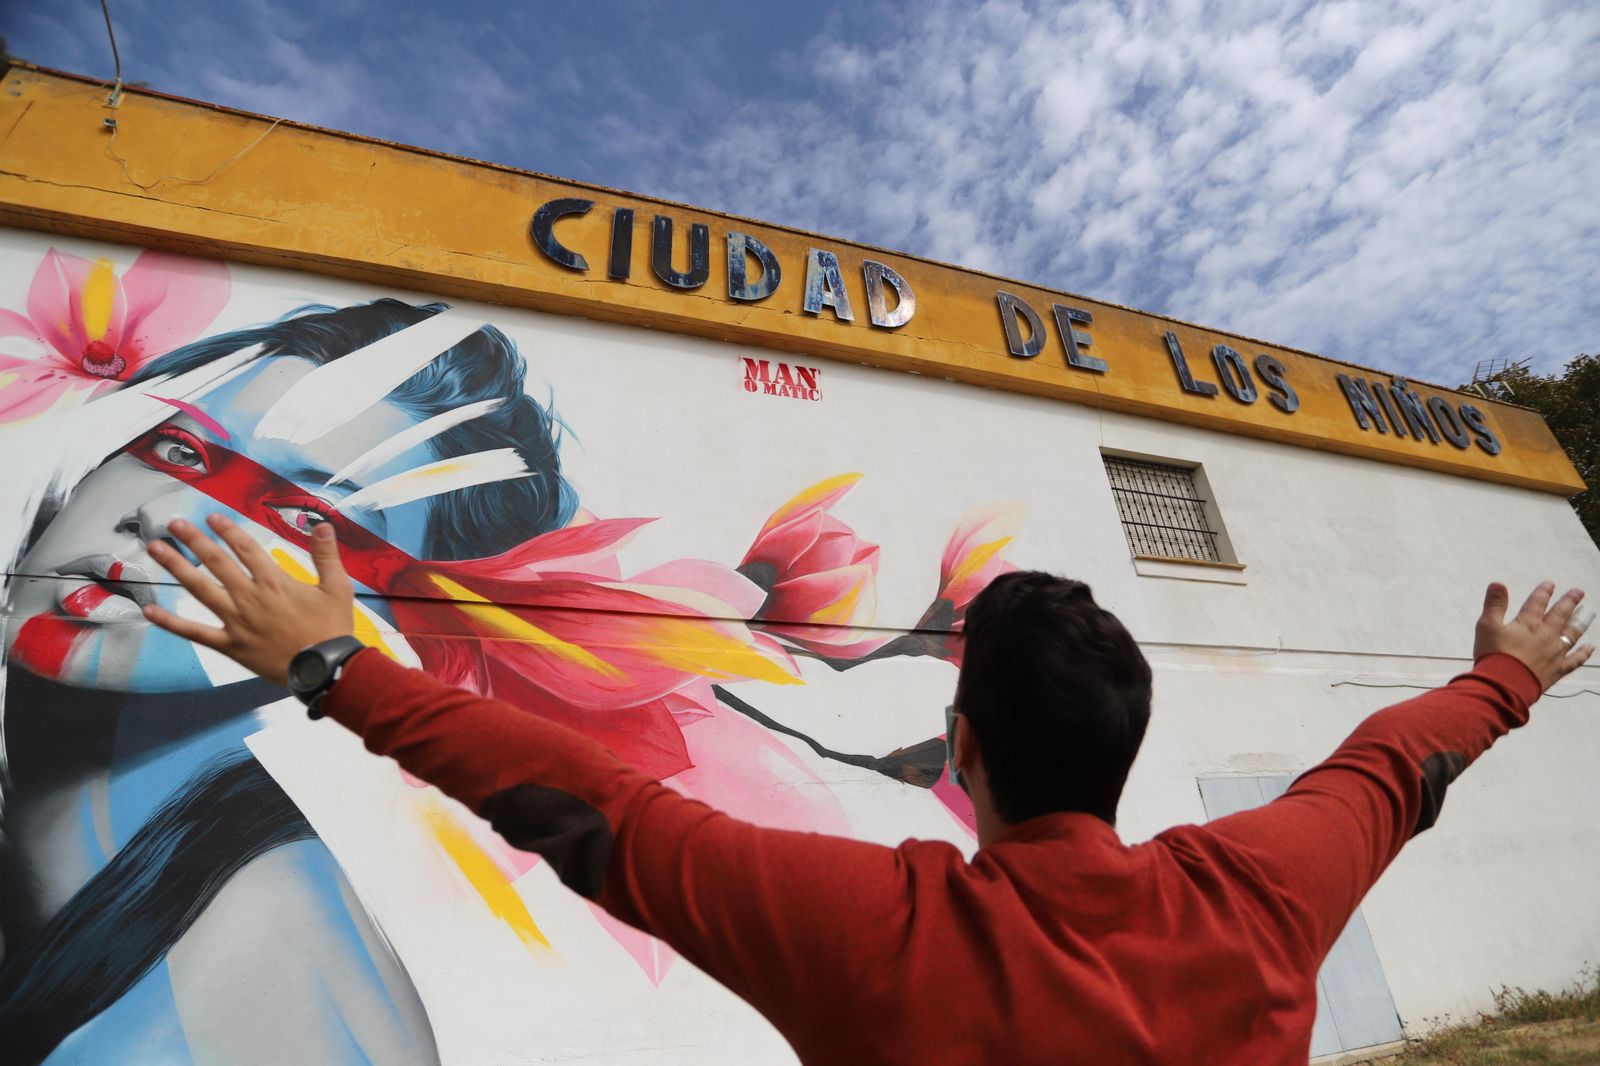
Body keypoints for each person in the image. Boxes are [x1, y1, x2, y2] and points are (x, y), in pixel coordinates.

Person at [142, 514, 1593, 1065]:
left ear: (960, 750)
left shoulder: (877, 934)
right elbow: (1396, 767)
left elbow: (596, 812)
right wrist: (1506, 676)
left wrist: (337, 665)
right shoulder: (1260, 896)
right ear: (1125, 741)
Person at [0, 298, 577, 1065]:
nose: (167, 516)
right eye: (179, 451)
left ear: (395, 630)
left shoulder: (280, 968)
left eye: (306, 520)